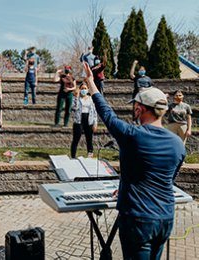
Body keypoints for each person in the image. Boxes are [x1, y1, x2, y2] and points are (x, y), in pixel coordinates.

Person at [83, 61, 185, 260]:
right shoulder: (178, 144)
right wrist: (128, 185)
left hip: (139, 220)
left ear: (140, 108)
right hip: (165, 217)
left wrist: (90, 82)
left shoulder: (132, 135)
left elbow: (106, 113)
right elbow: (167, 178)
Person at [70, 82, 97, 158]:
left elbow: (94, 112)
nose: (84, 90)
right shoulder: (76, 98)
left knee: (89, 138)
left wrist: (95, 123)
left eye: (85, 88)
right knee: (76, 138)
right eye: (82, 89)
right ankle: (73, 156)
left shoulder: (91, 99)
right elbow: (74, 108)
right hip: (79, 120)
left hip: (89, 120)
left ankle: (90, 154)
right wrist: (76, 97)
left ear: (88, 90)